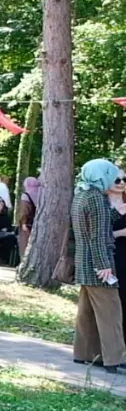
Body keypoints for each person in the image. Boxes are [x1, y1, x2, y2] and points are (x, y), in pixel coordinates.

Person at [71, 159, 125, 375]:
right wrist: (104, 265)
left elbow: (98, 223)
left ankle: (84, 353)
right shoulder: (96, 198)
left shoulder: (82, 193)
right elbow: (98, 236)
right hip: (97, 264)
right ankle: (114, 358)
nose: (115, 180)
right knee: (111, 311)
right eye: (111, 175)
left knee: (87, 313)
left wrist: (117, 211)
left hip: (84, 263)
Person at [109, 178, 126, 327]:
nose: (121, 183)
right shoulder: (102, 204)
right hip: (112, 257)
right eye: (117, 180)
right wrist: (121, 233)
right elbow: (97, 234)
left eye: (124, 180)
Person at [18, 175, 40, 258]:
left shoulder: (26, 195)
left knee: (25, 244)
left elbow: (24, 211)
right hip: (38, 224)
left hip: (28, 224)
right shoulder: (40, 194)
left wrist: (23, 223)